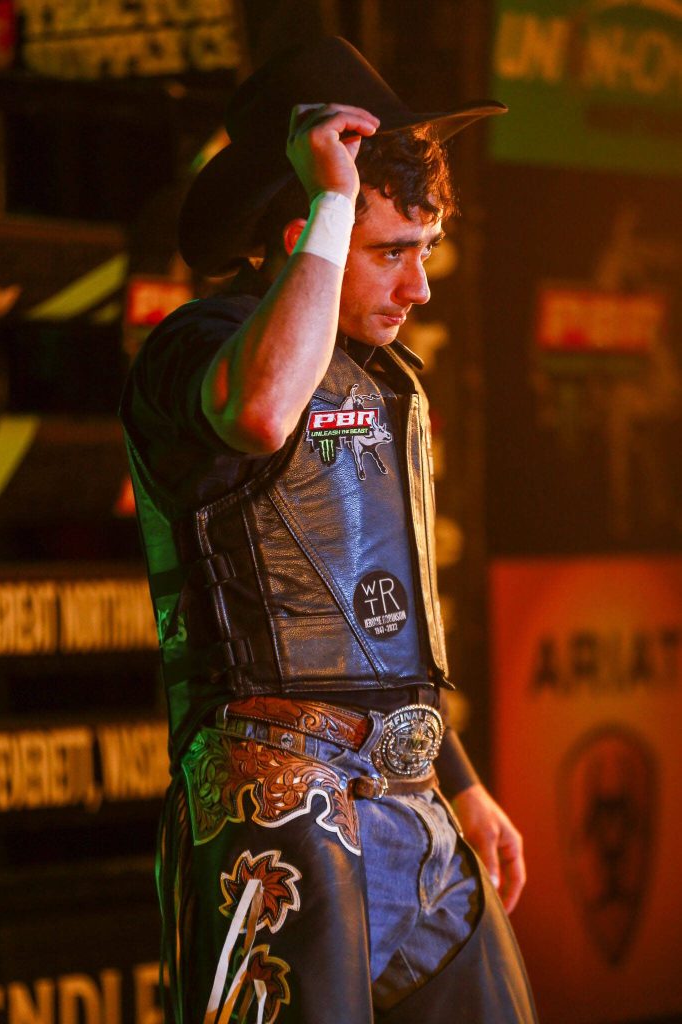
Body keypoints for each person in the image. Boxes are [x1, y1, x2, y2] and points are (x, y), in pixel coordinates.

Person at [120, 36, 538, 1024]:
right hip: (274, 801)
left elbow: (376, 609)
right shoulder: (199, 344)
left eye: (424, 251)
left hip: (410, 799)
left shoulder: (385, 377)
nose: (419, 286)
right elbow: (262, 410)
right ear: (298, 223)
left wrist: (457, 779)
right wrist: (331, 204)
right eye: (391, 251)